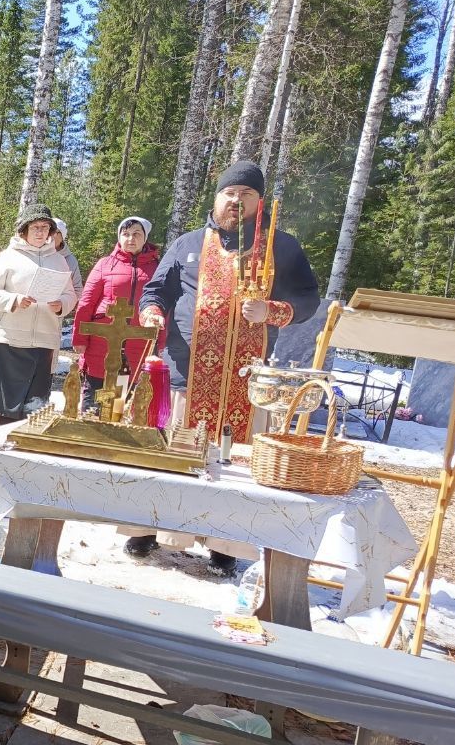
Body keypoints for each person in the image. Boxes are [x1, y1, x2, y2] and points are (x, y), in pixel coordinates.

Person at [130, 160, 320, 573]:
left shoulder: (281, 247)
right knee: (172, 451)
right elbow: (157, 290)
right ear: (217, 198)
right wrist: (151, 312)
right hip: (187, 371)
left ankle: (225, 546)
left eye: (246, 194)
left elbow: (308, 299)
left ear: (259, 202)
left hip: (247, 379)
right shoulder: (187, 244)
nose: (237, 201)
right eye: (230, 193)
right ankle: (149, 530)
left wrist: (272, 310)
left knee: (235, 465)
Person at [0, 204, 78, 424]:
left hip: (43, 341)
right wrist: (14, 300)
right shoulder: (8, 257)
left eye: (45, 227)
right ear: (24, 230)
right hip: (8, 340)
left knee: (34, 406)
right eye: (35, 227)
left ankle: (23, 449)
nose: (40, 232)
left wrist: (62, 305)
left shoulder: (59, 260)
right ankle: (3, 447)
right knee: (7, 406)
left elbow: (70, 294)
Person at [71, 217, 160, 409]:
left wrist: (161, 345)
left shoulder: (156, 268)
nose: (130, 239)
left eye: (136, 234)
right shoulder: (105, 264)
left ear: (145, 238)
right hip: (102, 344)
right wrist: (79, 339)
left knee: (123, 406)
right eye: (125, 234)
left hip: (137, 346)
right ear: (119, 237)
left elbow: (162, 307)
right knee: (97, 404)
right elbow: (86, 302)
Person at [49, 217, 83, 302]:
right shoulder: (37, 254)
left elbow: (78, 290)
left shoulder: (70, 260)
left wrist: (63, 305)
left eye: (56, 232)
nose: (52, 235)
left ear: (62, 237)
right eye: (49, 231)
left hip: (58, 310)